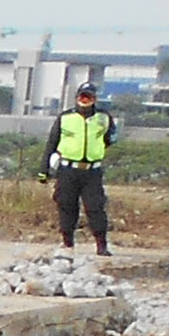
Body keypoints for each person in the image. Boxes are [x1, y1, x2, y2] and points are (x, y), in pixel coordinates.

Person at [46, 78, 117, 255]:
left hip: (92, 172)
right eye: (82, 97)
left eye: (89, 97)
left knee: (95, 207)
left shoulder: (104, 118)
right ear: (77, 98)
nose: (85, 100)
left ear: (94, 99)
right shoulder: (65, 118)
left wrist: (95, 151)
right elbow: (51, 143)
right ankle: (68, 243)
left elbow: (110, 139)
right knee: (66, 205)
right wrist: (43, 170)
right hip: (68, 170)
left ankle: (101, 245)